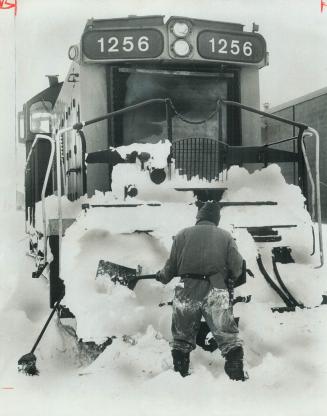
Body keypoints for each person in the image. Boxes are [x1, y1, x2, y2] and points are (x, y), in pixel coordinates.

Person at [156, 202, 247, 381]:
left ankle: (180, 376)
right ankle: (236, 377)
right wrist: (229, 277)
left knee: (181, 337)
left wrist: (161, 276)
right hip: (215, 287)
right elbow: (237, 267)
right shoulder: (225, 236)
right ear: (216, 219)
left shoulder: (182, 235)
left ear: (198, 217)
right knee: (227, 336)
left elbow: (170, 268)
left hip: (186, 290)